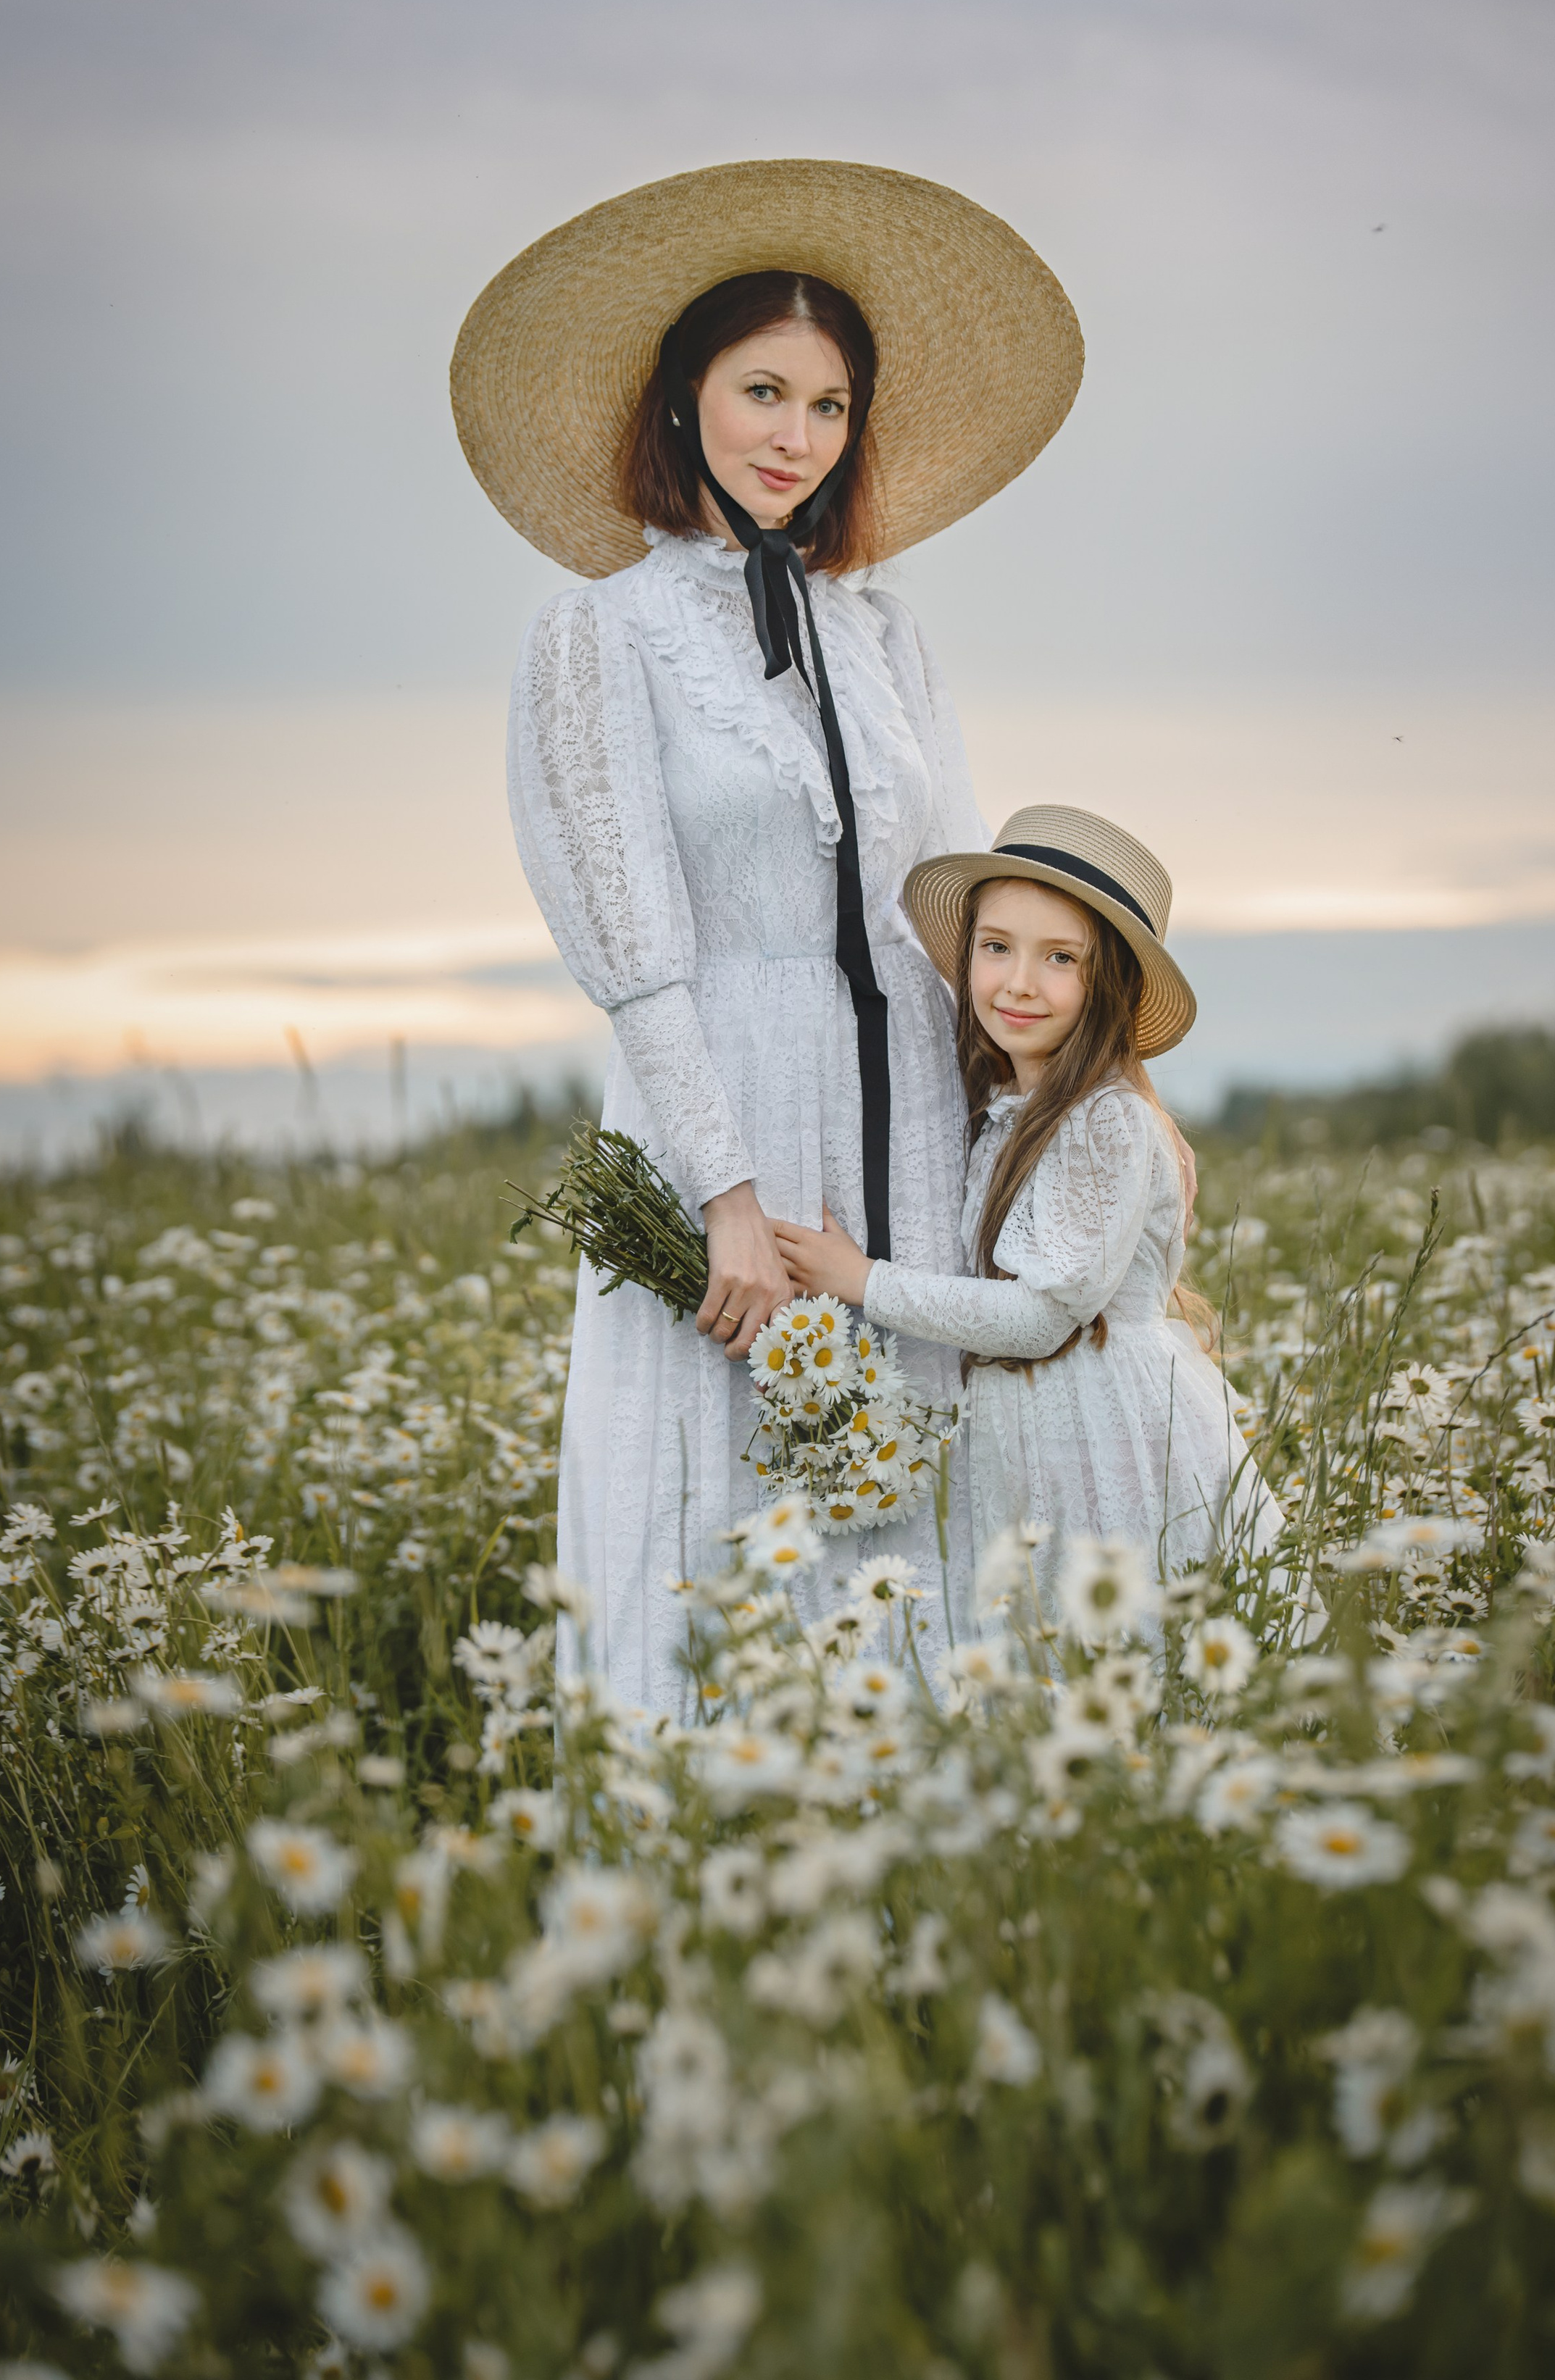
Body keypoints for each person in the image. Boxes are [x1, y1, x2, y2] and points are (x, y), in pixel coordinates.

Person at [451, 159, 1083, 1709]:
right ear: (682, 401)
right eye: (763, 391)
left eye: (829, 405)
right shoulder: (597, 633)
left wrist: (1068, 1107)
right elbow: (631, 944)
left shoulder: (885, 633)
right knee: (708, 1503)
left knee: (904, 1519)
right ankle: (689, 1868)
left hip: (912, 1130)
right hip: (716, 1102)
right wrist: (722, 1197)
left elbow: (966, 910)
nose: (795, 437)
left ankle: (899, 1892)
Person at [772, 805, 1285, 1598]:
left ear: (1107, 979)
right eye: (997, 947)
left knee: (1130, 1643)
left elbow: (1042, 1318)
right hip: (1039, 1440)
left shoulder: (1107, 1119)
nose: (1018, 982)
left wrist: (859, 1278)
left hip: (1109, 1429)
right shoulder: (1009, 1106)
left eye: (1060, 959)